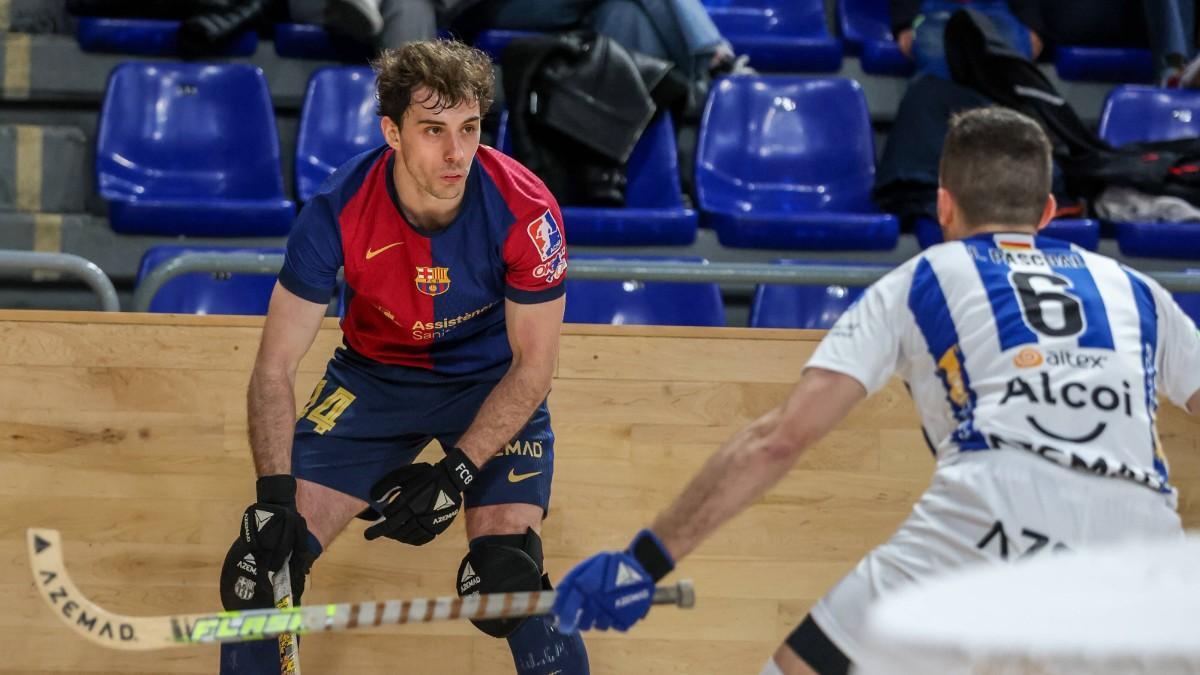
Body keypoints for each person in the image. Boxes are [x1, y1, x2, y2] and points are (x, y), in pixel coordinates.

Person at [550, 107, 1200, 674]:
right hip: (1140, 536)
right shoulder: (1138, 289)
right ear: (1050, 212)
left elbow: (779, 438)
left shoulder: (923, 278)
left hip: (990, 511)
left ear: (943, 204)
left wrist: (646, 558)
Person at [217, 39, 587, 674]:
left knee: (507, 583)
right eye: (434, 130)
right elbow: (274, 366)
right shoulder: (338, 209)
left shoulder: (526, 210)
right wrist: (273, 497)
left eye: (469, 129)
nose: (456, 153)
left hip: (488, 383)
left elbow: (534, 369)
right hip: (374, 379)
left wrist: (457, 475)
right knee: (262, 571)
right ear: (391, 131)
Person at [892, 0, 1043, 79]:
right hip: (934, 9)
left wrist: (1032, 25)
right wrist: (905, 23)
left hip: (997, 8)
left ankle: (1003, 131)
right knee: (936, 55)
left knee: (1012, 55)